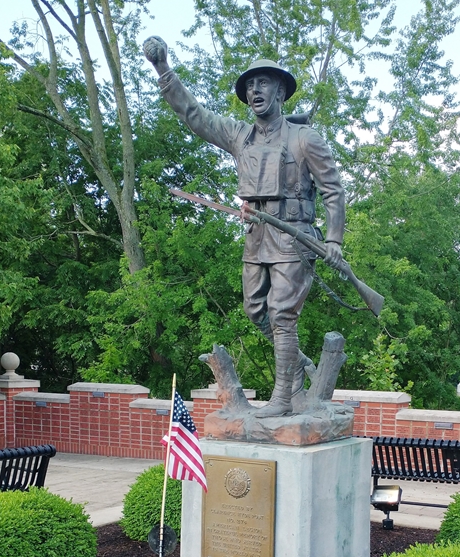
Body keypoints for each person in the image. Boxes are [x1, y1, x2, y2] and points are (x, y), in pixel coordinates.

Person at [143, 36, 346, 417]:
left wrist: (333, 237)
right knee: (257, 311)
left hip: (294, 237)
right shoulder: (240, 136)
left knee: (282, 314)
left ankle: (284, 398)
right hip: (257, 237)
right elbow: (195, 116)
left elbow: (333, 191)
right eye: (250, 85)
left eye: (263, 82)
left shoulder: (306, 138)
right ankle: (298, 366)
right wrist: (163, 70)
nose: (255, 90)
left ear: (281, 90)